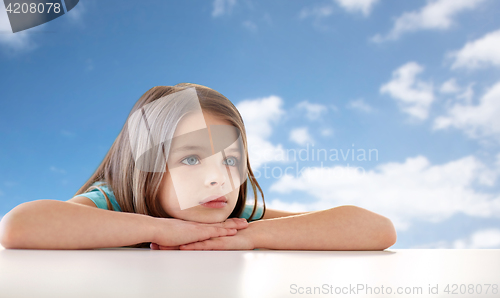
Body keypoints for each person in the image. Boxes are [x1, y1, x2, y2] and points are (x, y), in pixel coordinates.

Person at [0, 83, 396, 251]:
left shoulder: (228, 215)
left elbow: (377, 229)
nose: (217, 177)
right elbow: (19, 226)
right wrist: (162, 229)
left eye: (230, 160)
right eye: (190, 158)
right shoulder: (114, 200)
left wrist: (249, 237)